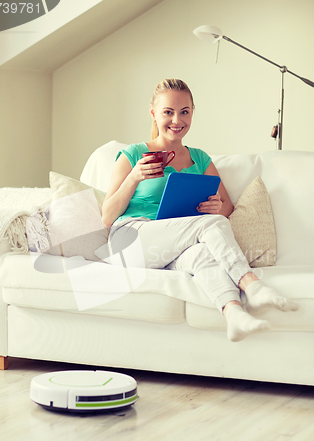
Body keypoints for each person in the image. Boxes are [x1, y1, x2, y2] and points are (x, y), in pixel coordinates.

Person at [102, 79, 298, 342]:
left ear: (192, 112)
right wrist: (134, 177)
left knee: (203, 253)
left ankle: (233, 313)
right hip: (129, 240)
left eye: (184, 111)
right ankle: (251, 284)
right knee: (209, 224)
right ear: (153, 113)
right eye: (168, 112)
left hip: (171, 246)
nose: (177, 120)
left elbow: (226, 206)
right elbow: (106, 217)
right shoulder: (134, 154)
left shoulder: (200, 158)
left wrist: (218, 207)